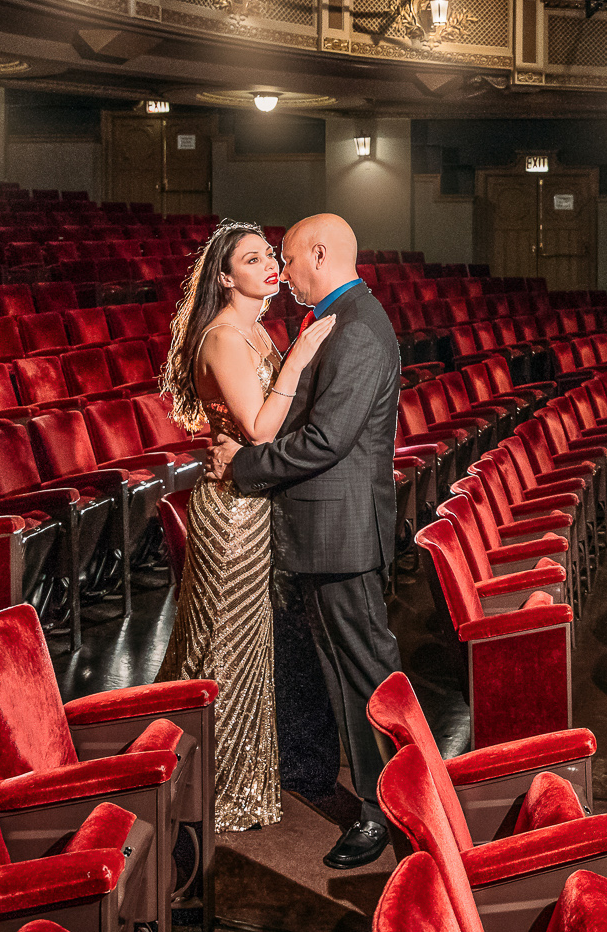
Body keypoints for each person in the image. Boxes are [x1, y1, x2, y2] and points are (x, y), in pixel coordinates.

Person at [210, 213, 404, 870]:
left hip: (341, 533)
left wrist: (242, 466)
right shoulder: (346, 321)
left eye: (289, 259)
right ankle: (382, 795)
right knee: (351, 672)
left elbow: (326, 442)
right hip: (331, 529)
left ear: (320, 253)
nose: (282, 272)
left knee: (366, 677)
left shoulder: (357, 331)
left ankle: (388, 812)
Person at [155, 220, 338, 832]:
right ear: (225, 276)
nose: (271, 266)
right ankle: (208, 782)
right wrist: (305, 353)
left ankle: (243, 771)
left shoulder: (259, 331)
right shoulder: (224, 337)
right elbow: (261, 430)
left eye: (270, 256)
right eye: (253, 258)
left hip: (257, 500)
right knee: (224, 642)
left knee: (252, 640)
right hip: (231, 510)